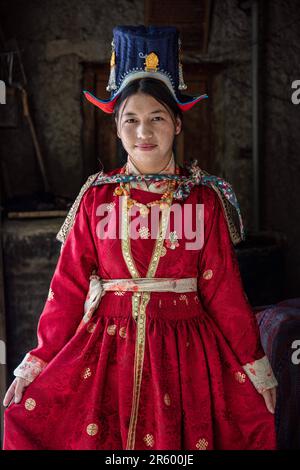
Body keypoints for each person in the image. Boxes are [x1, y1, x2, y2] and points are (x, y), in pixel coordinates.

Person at [2, 25, 277, 450]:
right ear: (116, 129)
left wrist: (254, 363)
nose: (143, 132)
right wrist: (36, 363)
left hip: (185, 350)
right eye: (130, 119)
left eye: (157, 118)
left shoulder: (205, 199)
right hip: (108, 349)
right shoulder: (96, 197)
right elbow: (68, 288)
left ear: (178, 125)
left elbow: (223, 289)